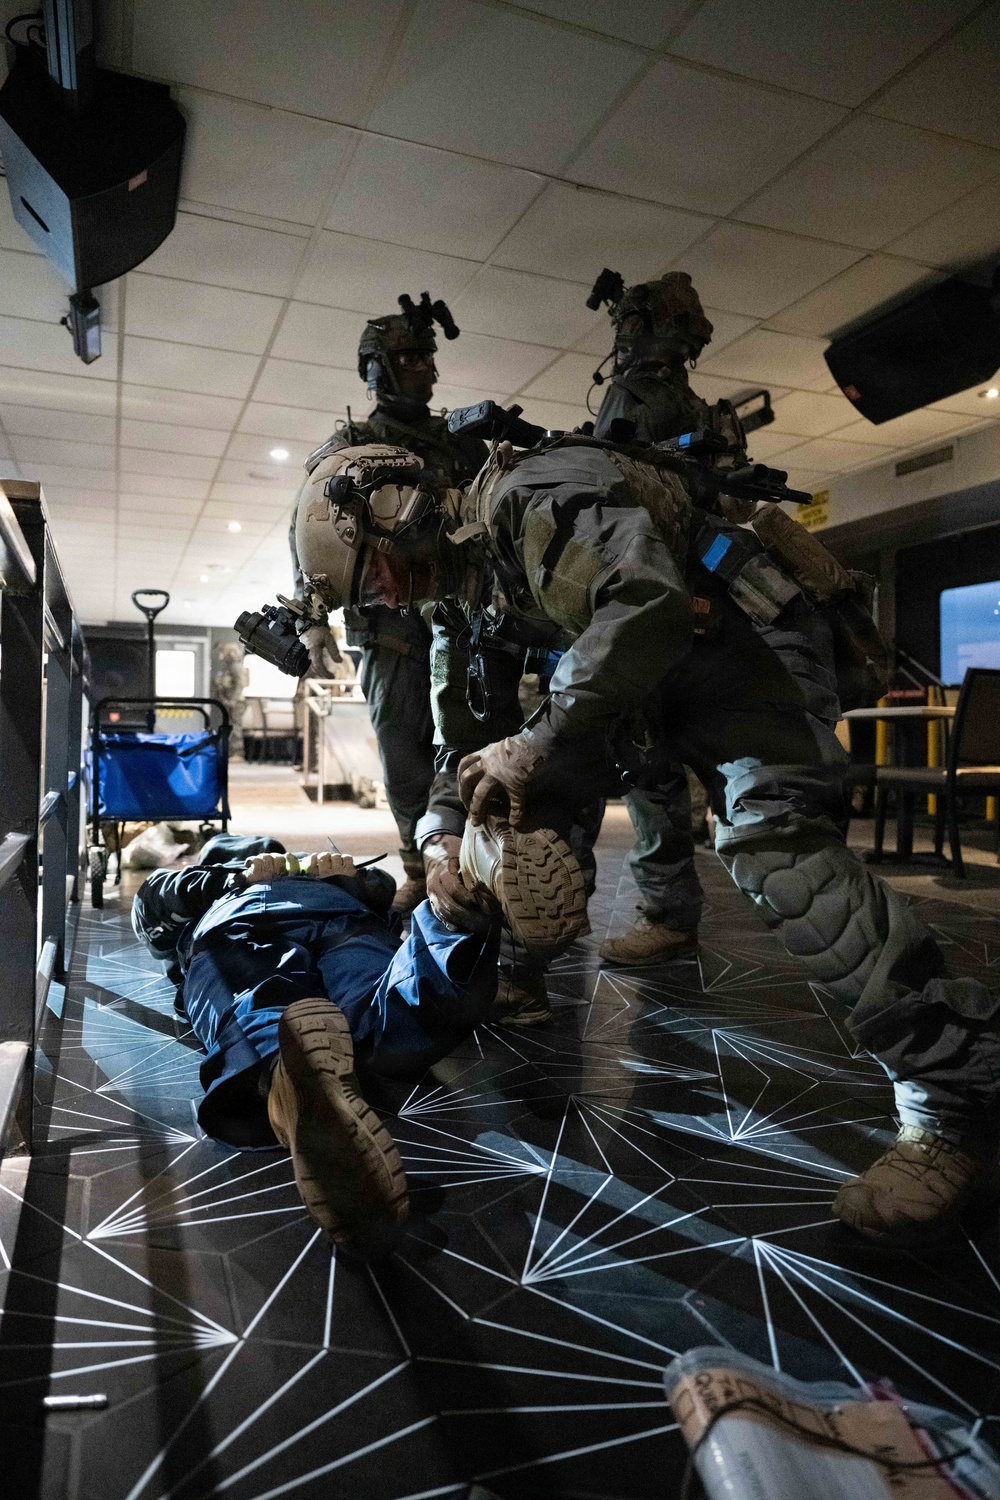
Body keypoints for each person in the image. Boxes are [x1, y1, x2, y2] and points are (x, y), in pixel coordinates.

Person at [274, 429, 1000, 1246]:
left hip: (741, 647)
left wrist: (537, 743)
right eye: (366, 594)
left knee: (774, 851)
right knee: (504, 811)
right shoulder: (459, 595)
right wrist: (445, 836)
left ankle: (953, 1094)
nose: (383, 596)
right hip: (642, 681)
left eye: (373, 571)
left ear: (391, 508)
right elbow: (464, 741)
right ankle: (514, 967)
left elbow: (645, 601)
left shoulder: (535, 498)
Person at [132, 833, 501, 1248]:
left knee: (271, 1008)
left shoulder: (328, 870)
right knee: (367, 1006)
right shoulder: (205, 879)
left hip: (331, 921)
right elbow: (149, 910)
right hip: (254, 924)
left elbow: (383, 889)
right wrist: (229, 878)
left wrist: (351, 878)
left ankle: (287, 1085)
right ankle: (456, 932)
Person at [288, 294, 487, 915]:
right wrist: (312, 621)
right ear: (377, 369)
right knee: (404, 761)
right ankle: (416, 867)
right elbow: (309, 531)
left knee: (469, 751)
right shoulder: (350, 446)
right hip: (388, 627)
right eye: (410, 358)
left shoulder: (462, 444)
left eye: (428, 358)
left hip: (463, 622)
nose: (427, 370)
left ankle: (465, 865)